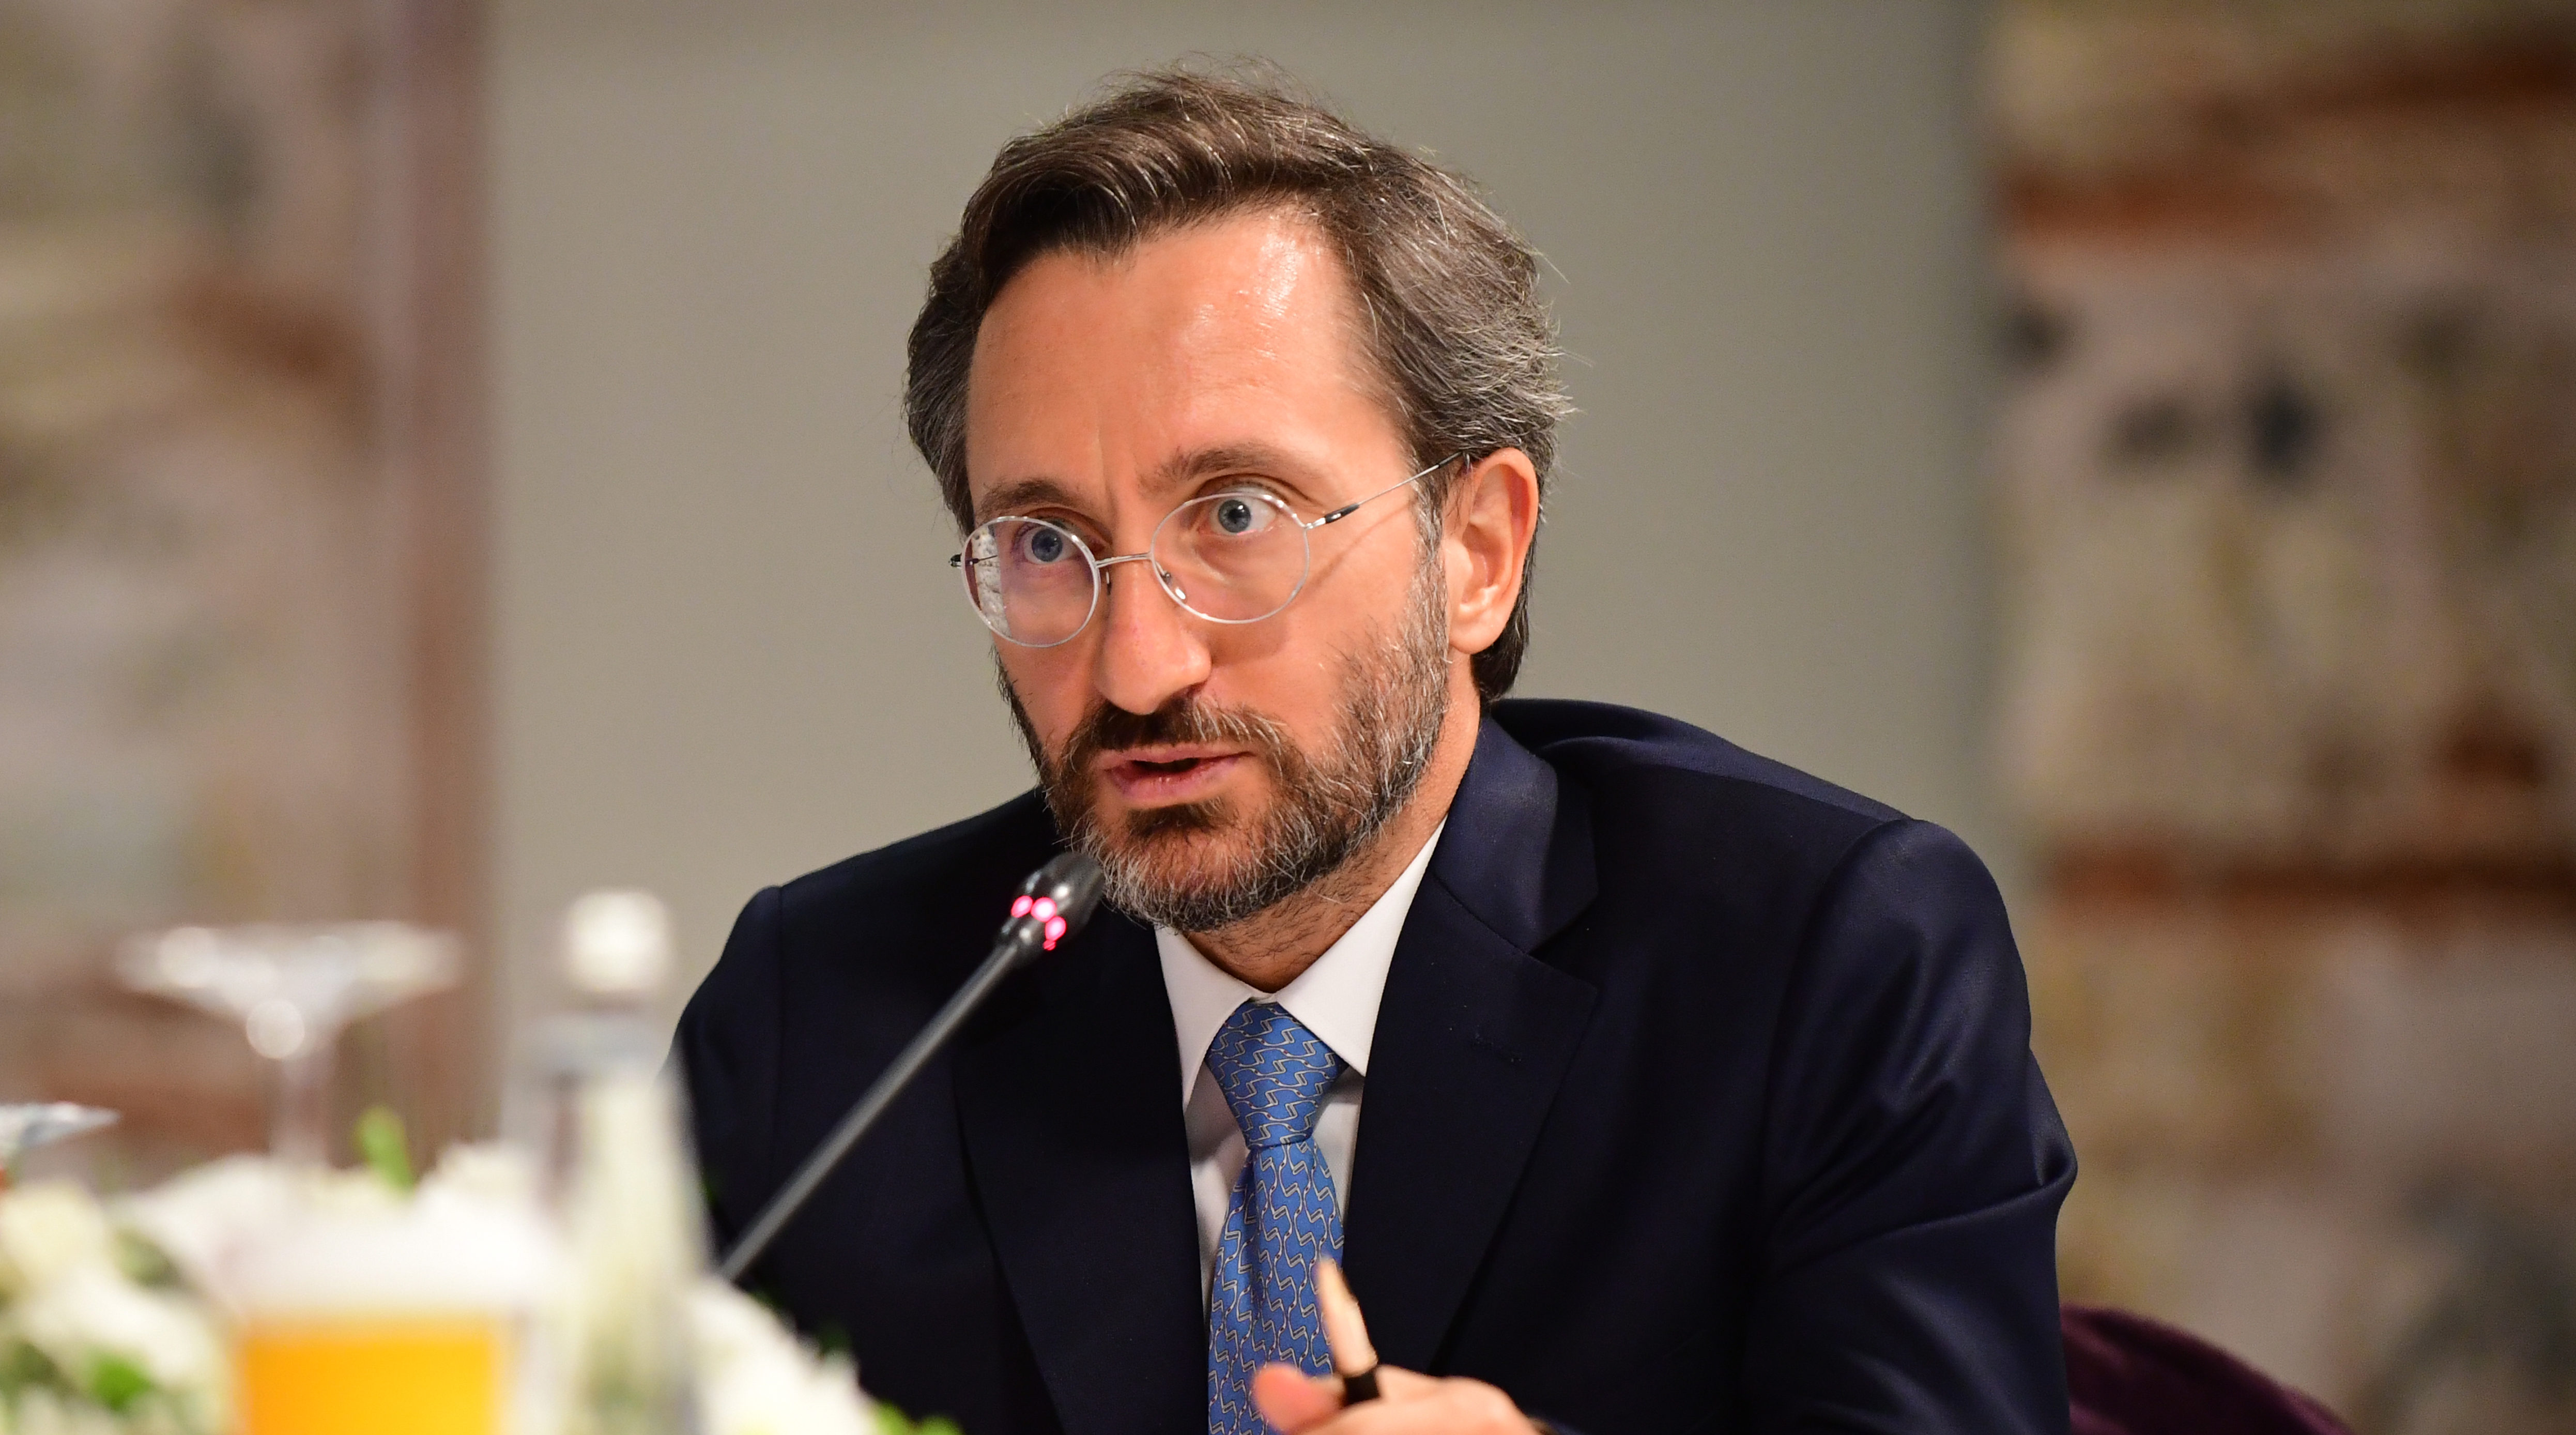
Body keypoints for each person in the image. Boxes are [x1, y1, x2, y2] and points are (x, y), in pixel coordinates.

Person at [674, 67, 2073, 1435]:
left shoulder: (1823, 963)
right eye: (1046, 544)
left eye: (1237, 517)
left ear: (1477, 552)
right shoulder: (830, 1023)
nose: (1139, 667)